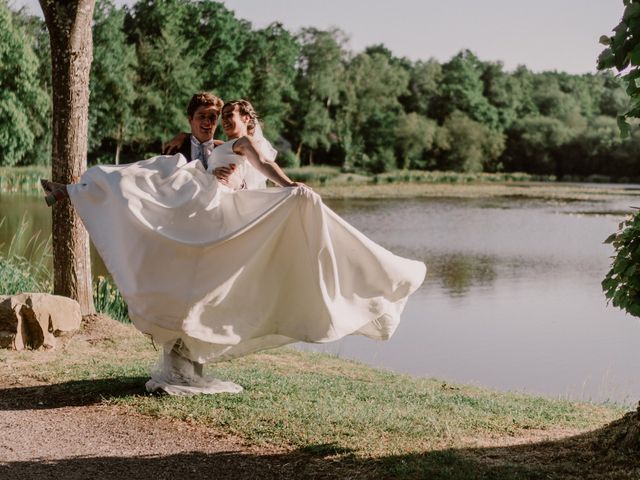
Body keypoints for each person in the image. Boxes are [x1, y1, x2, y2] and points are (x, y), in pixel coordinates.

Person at [41, 99, 427, 396]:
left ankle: (77, 192)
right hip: (199, 210)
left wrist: (290, 186)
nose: (222, 123)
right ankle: (76, 190)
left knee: (201, 275)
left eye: (229, 118)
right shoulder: (211, 144)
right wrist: (188, 150)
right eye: (219, 118)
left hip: (216, 214)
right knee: (146, 178)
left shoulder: (241, 144)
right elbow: (202, 152)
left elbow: (261, 171)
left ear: (248, 123)